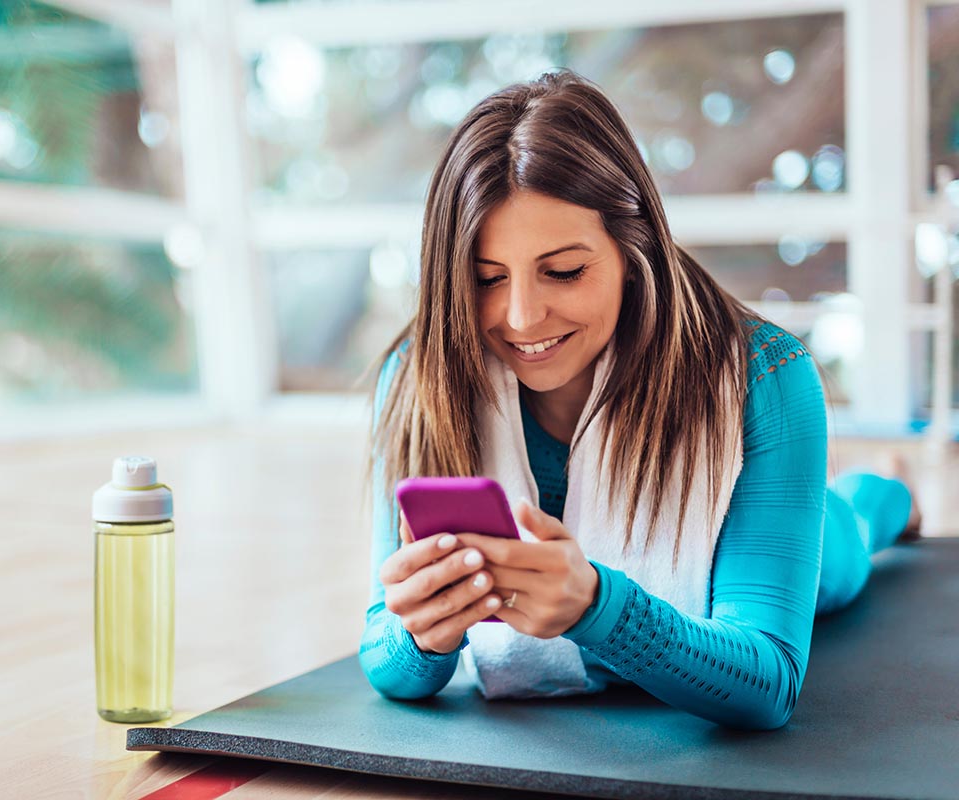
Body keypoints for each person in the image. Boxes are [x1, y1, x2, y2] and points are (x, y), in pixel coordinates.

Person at [359, 70, 921, 731]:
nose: (521, 318)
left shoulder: (770, 377)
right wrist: (423, 635)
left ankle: (887, 492)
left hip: (769, 541)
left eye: (564, 271)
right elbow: (383, 653)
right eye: (486, 279)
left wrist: (595, 609)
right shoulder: (417, 375)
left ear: (634, 251)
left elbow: (767, 682)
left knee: (844, 538)